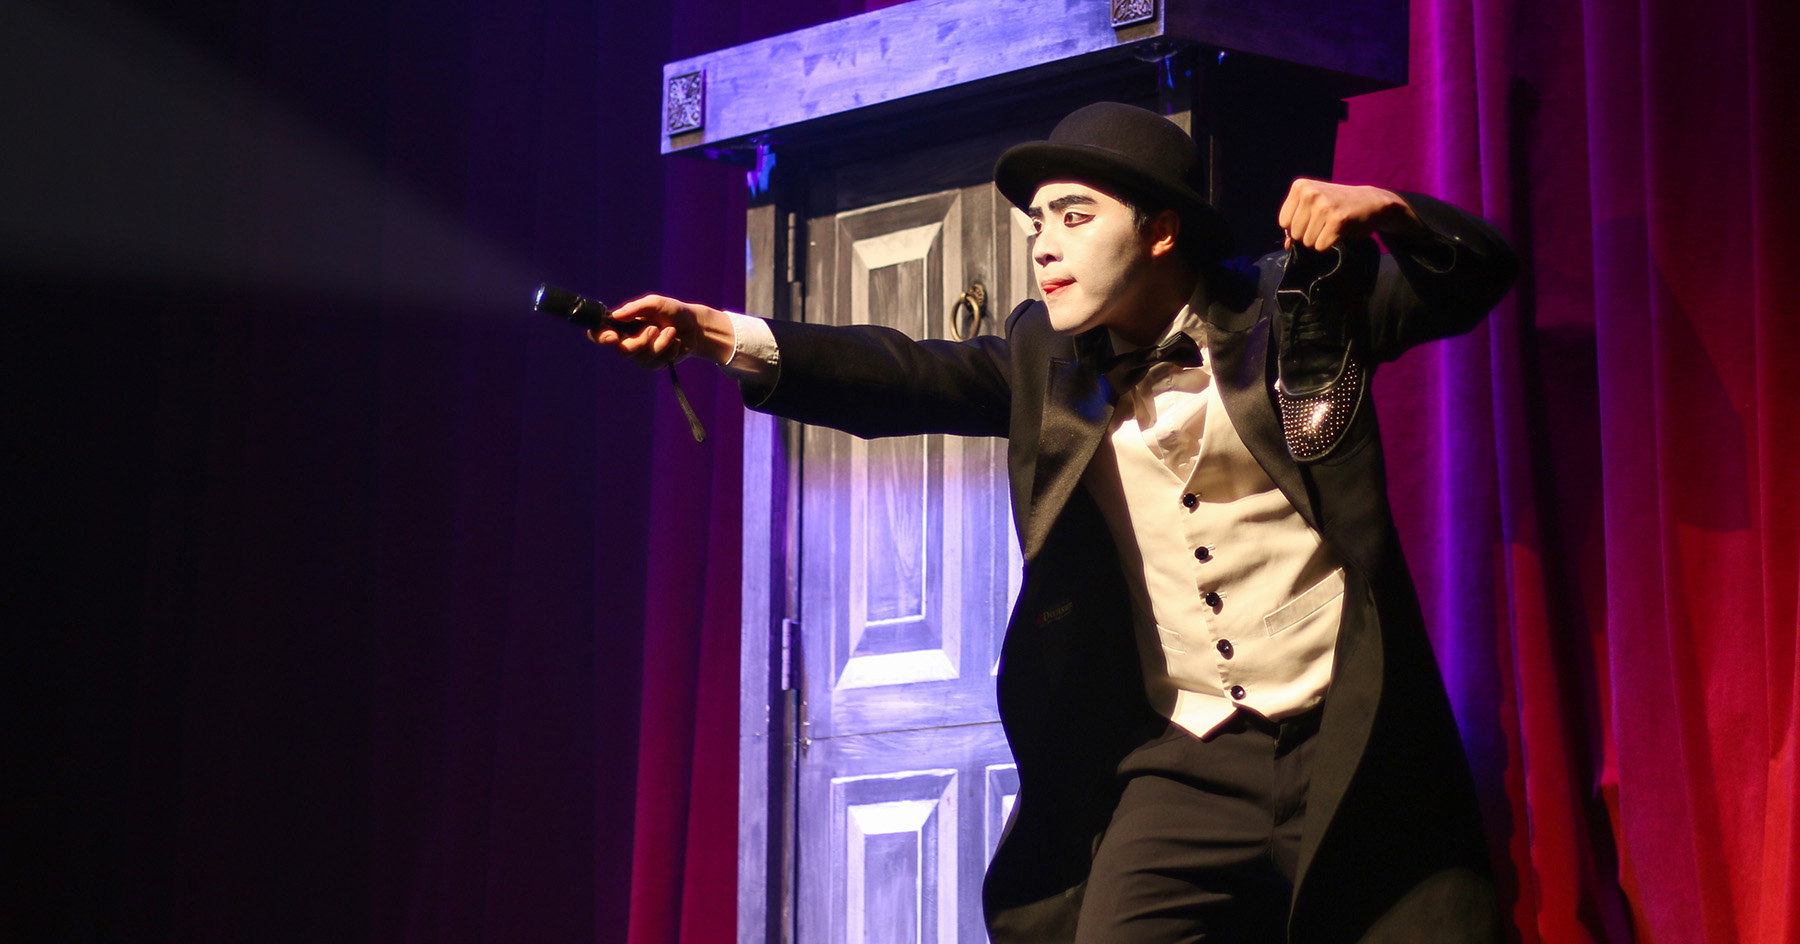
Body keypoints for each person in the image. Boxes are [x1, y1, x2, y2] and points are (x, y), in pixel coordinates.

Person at [593, 102, 1517, 943]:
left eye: (1074, 217)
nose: (1043, 245)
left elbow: (1476, 278)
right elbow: (907, 373)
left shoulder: (1297, 305)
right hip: (1189, 757)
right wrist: (718, 333)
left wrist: (1391, 211)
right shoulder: (1047, 359)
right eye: (1037, 224)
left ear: (1160, 231)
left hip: (1348, 738)